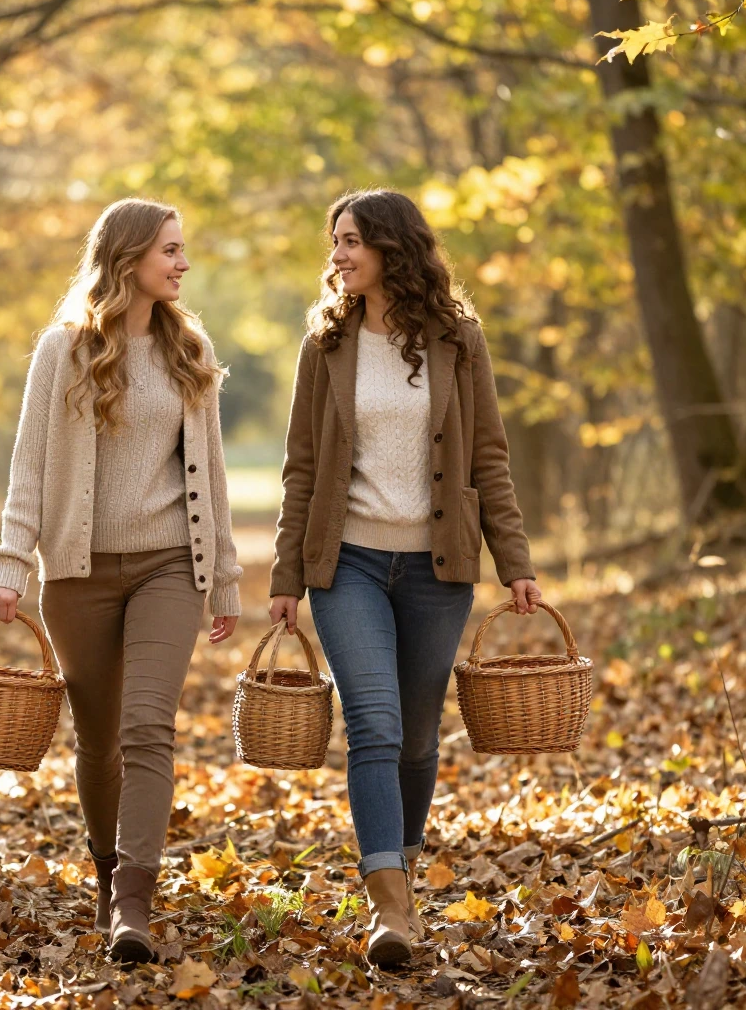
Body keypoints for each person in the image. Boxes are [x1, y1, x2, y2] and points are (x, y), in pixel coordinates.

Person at [269, 189, 541, 966]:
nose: (339, 256)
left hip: (439, 566)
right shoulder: (325, 342)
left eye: (351, 240)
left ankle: (405, 865)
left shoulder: (459, 338)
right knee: (375, 725)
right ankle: (388, 907)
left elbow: (488, 457)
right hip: (346, 562)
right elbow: (300, 469)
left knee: (418, 736)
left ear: (392, 247)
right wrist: (288, 575)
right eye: (335, 243)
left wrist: (514, 562)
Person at [0, 198, 242, 963]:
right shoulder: (62, 351)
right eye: (170, 250)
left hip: (170, 565)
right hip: (78, 574)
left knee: (147, 727)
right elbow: (28, 466)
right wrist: (9, 564)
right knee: (98, 743)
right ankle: (106, 876)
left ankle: (134, 901)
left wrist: (224, 578)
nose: (182, 263)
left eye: (183, 249)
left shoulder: (188, 350)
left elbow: (214, 478)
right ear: (128, 257)